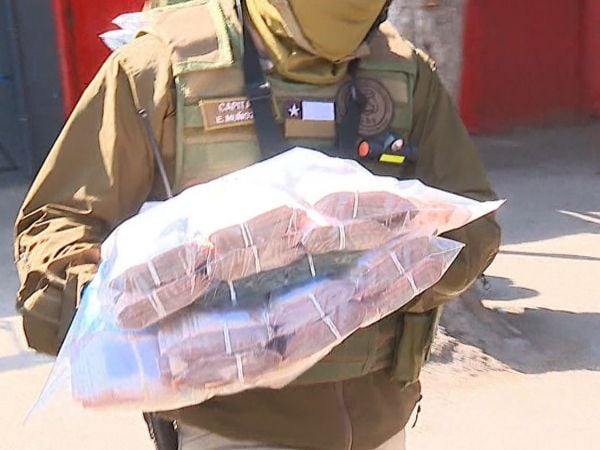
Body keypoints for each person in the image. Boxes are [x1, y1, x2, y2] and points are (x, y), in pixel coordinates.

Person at [14, 0, 501, 449]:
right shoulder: (164, 65)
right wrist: (122, 305)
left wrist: (376, 273)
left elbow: (473, 224)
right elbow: (59, 221)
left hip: (379, 420)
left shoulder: (403, 71)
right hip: (229, 427)